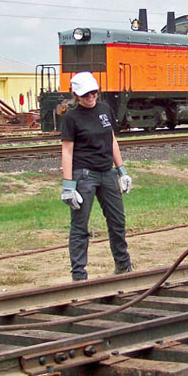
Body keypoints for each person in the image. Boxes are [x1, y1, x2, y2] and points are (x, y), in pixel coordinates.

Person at [60, 71, 133, 281]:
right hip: (84, 176)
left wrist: (122, 170)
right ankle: (79, 275)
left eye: (93, 92)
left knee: (117, 221)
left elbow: (112, 141)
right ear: (76, 95)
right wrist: (68, 185)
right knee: (80, 225)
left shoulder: (104, 109)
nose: (90, 97)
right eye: (85, 94)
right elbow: (67, 151)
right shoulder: (72, 118)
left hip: (107, 173)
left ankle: (123, 266)